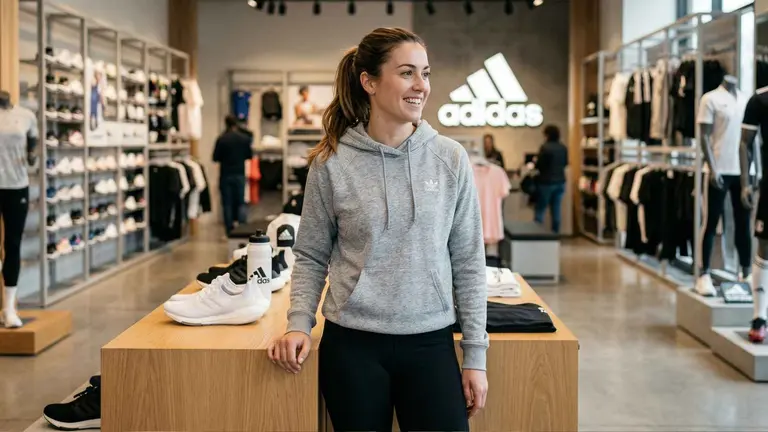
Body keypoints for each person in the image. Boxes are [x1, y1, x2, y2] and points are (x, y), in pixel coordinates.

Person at [268, 28, 488, 431]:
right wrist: (299, 323)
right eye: (407, 73)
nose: (421, 86)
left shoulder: (449, 158)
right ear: (369, 81)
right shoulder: (331, 161)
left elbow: (469, 260)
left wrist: (475, 355)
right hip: (352, 345)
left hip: (430, 341)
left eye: (425, 73)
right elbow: (312, 252)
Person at [212, 115, 253, 236]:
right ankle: (242, 229)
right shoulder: (244, 139)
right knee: (241, 202)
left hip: (226, 174)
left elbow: (215, 158)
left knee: (227, 204)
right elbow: (249, 156)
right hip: (239, 174)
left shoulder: (222, 139)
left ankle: (229, 232)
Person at [534, 124, 568, 233]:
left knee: (541, 209)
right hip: (560, 181)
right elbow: (565, 163)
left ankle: (537, 234)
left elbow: (540, 165)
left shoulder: (545, 147)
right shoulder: (563, 147)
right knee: (556, 210)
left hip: (546, 182)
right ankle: (555, 234)